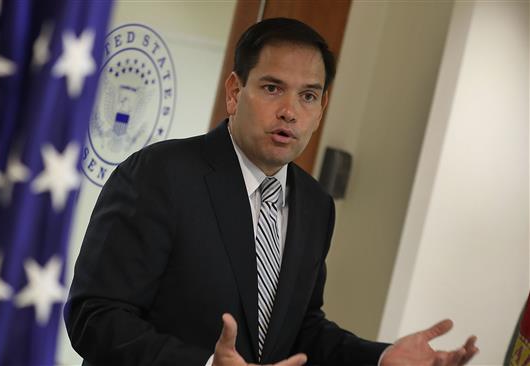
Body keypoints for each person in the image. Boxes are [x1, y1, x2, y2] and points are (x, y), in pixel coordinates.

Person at [65, 18, 479, 366]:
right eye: (272, 88)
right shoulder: (160, 174)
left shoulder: (315, 205)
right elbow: (95, 316)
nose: (290, 111)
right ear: (234, 91)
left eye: (308, 96)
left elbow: (302, 328)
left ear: (321, 109)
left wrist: (380, 357)